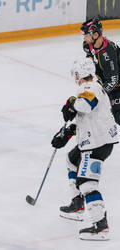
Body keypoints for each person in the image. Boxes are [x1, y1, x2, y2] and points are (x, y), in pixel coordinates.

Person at [51, 57, 118, 240]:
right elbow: (88, 117)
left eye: (76, 74)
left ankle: (100, 226)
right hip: (96, 139)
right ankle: (77, 203)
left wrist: (71, 104)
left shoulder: (90, 87)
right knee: (72, 160)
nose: (75, 78)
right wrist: (70, 131)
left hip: (97, 144)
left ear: (80, 73)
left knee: (87, 182)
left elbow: (84, 106)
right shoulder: (91, 87)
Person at [81, 17, 120, 125]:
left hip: (117, 86)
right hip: (108, 82)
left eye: (86, 35)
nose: (84, 38)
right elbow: (89, 63)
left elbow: (113, 80)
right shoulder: (87, 46)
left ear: (96, 35)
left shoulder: (108, 53)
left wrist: (97, 93)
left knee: (118, 116)